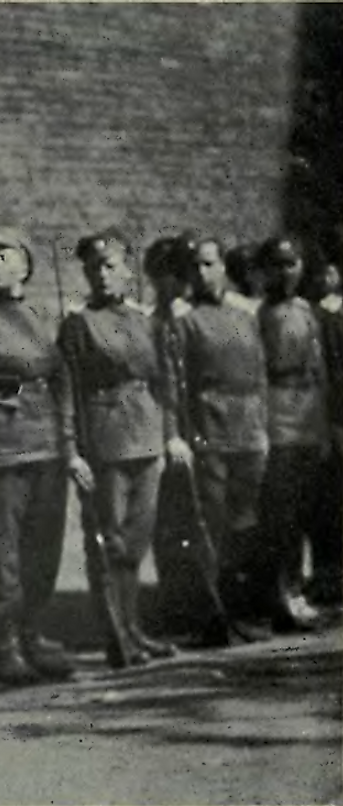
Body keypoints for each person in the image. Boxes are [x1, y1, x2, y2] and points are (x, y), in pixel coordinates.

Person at [0, 228, 92, 686]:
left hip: (47, 445)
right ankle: (1, 643)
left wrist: (68, 446)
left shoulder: (44, 315)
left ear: (25, 264)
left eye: (4, 256)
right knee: (1, 554)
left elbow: (62, 383)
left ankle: (32, 634)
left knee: (42, 550)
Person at [58, 230, 180, 667]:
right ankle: (117, 638)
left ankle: (134, 628)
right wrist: (71, 451)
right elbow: (67, 390)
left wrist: (170, 436)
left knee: (135, 543)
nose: (102, 275)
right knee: (109, 542)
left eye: (110, 266)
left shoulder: (146, 319)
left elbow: (165, 383)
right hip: (104, 440)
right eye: (94, 268)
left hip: (146, 436)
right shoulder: (77, 323)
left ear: (128, 270)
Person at [166, 233, 271, 639]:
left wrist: (262, 427)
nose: (202, 273)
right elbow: (176, 382)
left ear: (224, 267)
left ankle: (241, 608)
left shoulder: (246, 313)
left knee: (245, 523)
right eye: (195, 267)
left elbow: (258, 373)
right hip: (209, 430)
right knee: (211, 526)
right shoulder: (182, 319)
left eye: (210, 264)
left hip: (249, 430)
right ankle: (214, 617)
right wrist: (183, 434)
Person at [253, 236, 328, 632]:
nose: (286, 272)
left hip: (308, 419)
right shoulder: (260, 315)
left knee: (302, 511)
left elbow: (321, 370)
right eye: (277, 264)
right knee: (280, 517)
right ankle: (280, 596)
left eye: (292, 263)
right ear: (264, 271)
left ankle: (297, 590)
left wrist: (325, 425)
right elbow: (257, 374)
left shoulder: (306, 310)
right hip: (278, 420)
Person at [307, 254, 343, 608]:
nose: (325, 279)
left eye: (330, 271)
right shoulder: (316, 314)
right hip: (331, 416)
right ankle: (329, 575)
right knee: (327, 501)